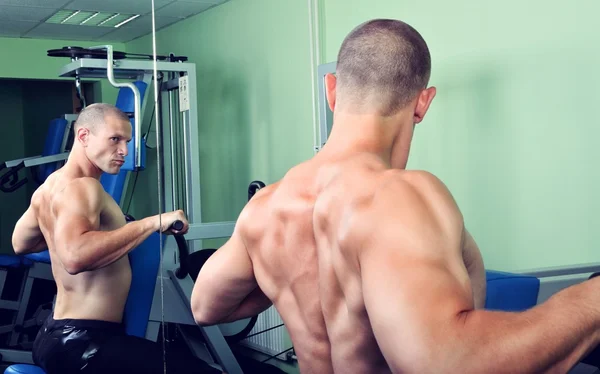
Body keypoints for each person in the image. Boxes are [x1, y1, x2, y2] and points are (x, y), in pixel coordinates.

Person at [190, 18, 600, 374]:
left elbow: (205, 306)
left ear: (331, 91)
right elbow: (450, 364)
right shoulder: (401, 195)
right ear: (423, 102)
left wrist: (282, 278)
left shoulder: (265, 209)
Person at [11, 103, 221, 374]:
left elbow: (21, 243)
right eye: (115, 139)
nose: (124, 151)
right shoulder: (84, 187)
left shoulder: (51, 185)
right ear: (84, 136)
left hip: (54, 336)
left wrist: (64, 236)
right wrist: (151, 223)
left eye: (127, 141)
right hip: (87, 344)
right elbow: (74, 258)